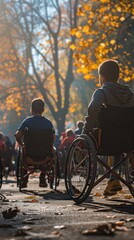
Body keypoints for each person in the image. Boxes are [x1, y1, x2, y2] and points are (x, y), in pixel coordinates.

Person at [83, 59, 134, 196]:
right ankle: (113, 179)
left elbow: (93, 111)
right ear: (118, 76)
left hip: (105, 140)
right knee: (119, 137)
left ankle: (112, 179)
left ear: (102, 77)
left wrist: (85, 131)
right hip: (128, 141)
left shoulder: (102, 92)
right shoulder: (130, 94)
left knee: (102, 135)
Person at [15, 98, 55, 188]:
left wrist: (22, 144)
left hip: (29, 153)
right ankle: (42, 177)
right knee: (48, 149)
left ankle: (24, 179)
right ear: (43, 109)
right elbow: (53, 138)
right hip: (45, 155)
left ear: (31, 109)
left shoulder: (27, 121)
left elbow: (18, 136)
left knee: (22, 151)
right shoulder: (48, 123)